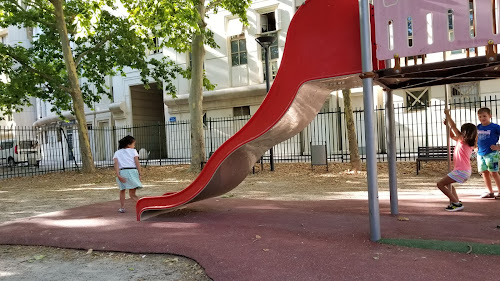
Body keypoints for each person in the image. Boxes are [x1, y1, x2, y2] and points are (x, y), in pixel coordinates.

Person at [437, 109, 477, 212]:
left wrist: (448, 114)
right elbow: (451, 135)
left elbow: (454, 126)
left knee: (440, 184)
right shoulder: (466, 142)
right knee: (449, 185)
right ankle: (456, 201)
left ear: (464, 132)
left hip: (461, 171)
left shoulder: (463, 140)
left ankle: (456, 203)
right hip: (464, 171)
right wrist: (447, 126)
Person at [113, 135, 142, 213]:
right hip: (132, 171)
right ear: (129, 145)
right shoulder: (133, 151)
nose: (134, 146)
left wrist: (118, 175)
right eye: (133, 144)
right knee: (132, 194)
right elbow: (137, 162)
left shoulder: (117, 152)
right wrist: (140, 173)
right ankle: (144, 206)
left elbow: (116, 163)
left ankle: (122, 207)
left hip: (122, 172)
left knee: (122, 190)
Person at [476, 107, 500, 199]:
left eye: (484, 116)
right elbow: (475, 138)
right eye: (480, 117)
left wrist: (498, 147)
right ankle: (490, 191)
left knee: (494, 172)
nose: (482, 118)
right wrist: (474, 146)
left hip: (492, 153)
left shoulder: (495, 127)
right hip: (480, 153)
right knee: (484, 172)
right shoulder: (478, 127)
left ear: (490, 116)